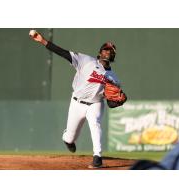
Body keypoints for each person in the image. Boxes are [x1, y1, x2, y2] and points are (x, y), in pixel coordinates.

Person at [29, 30, 122, 168]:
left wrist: (116, 101)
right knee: (69, 137)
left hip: (95, 104)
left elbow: (111, 101)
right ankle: (68, 140)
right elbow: (63, 52)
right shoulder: (86, 60)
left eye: (111, 50)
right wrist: (43, 41)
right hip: (77, 103)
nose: (108, 52)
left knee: (95, 124)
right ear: (100, 52)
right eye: (106, 49)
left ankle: (97, 157)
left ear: (113, 55)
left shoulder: (114, 78)